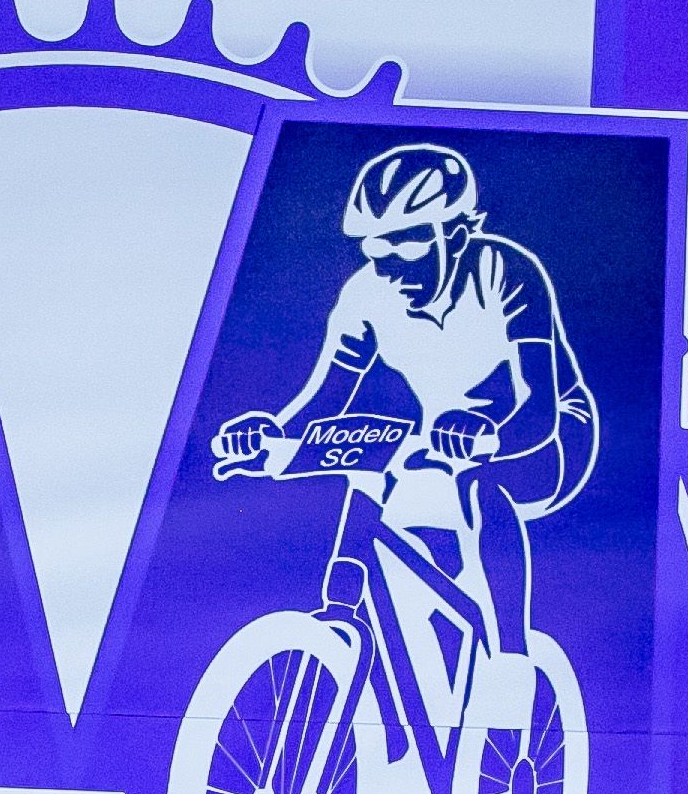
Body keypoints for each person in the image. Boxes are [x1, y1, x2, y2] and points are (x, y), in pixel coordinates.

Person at [211, 142, 594, 663]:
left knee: (479, 485)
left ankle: (512, 661)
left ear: (456, 236)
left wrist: (488, 436)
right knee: (370, 480)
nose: (390, 271)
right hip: (439, 437)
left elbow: (539, 408)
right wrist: (271, 434)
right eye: (377, 252)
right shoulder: (365, 295)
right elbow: (326, 399)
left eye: (407, 249)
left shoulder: (506, 272)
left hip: (545, 436)